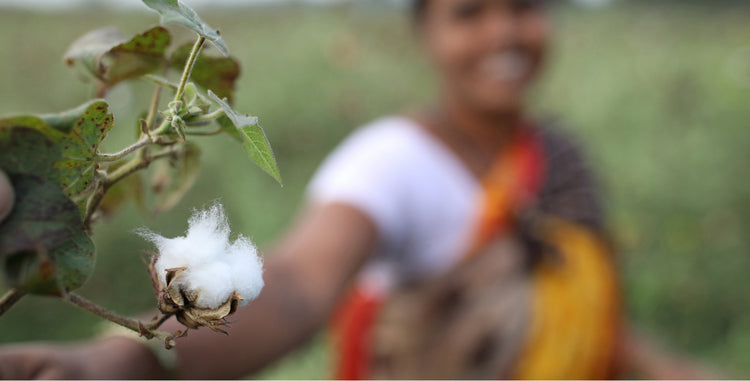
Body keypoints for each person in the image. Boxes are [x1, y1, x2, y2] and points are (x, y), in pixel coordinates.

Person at [0, 0, 719, 379]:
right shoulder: (390, 161)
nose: (505, 30)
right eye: (469, 12)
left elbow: (583, 313)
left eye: (523, 4)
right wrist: (130, 358)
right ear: (427, 35)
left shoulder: (558, 157)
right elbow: (295, 286)